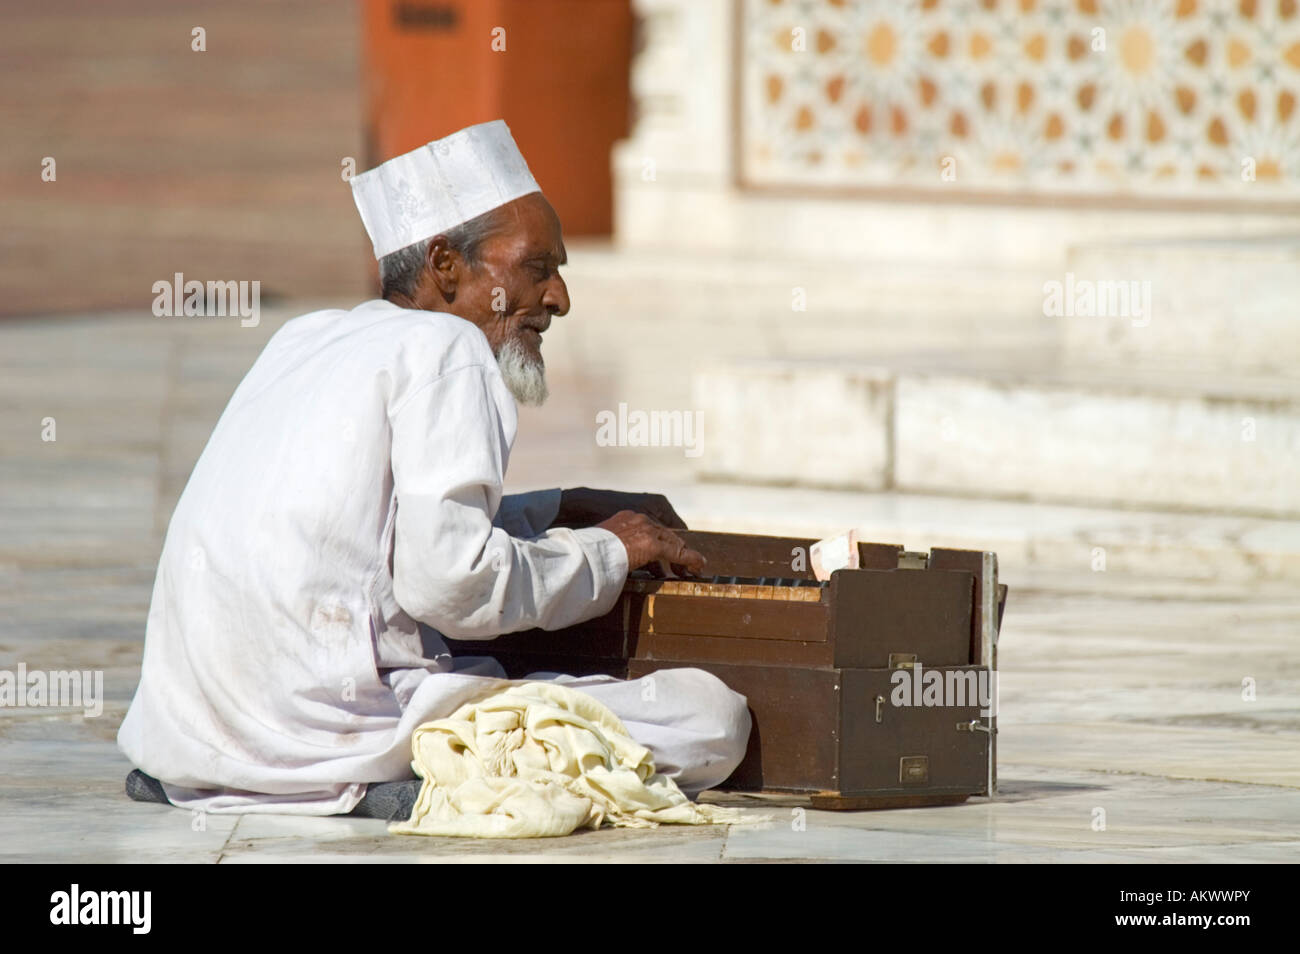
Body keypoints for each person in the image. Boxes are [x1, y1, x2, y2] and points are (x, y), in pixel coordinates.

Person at [117, 120, 751, 819]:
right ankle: (380, 778)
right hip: (325, 730)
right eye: (538, 268)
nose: (560, 299)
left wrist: (554, 508)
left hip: (189, 731)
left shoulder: (307, 335)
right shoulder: (448, 348)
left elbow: (374, 535)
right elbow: (450, 584)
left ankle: (250, 773)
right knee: (709, 717)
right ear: (446, 265)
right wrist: (610, 551)